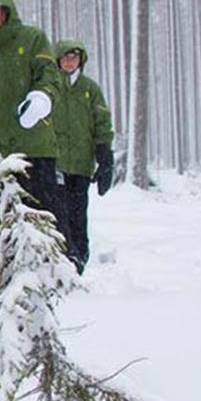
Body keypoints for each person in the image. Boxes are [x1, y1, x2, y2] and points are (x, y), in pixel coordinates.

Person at [0, 0, 68, 247]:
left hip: (34, 148)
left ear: (6, 11)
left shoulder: (32, 38)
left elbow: (49, 75)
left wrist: (41, 98)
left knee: (44, 216)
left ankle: (50, 276)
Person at [52, 39, 115, 272]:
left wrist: (105, 157)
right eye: (66, 57)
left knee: (77, 215)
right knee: (56, 214)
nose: (70, 62)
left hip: (80, 165)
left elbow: (102, 123)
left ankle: (78, 261)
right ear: (58, 59)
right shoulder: (49, 86)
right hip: (53, 163)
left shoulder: (90, 89)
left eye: (74, 57)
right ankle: (58, 262)